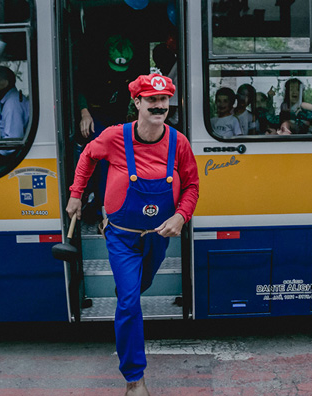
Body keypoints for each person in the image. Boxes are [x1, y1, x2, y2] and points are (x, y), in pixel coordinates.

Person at [64, 73, 199, 396]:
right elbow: (87, 157)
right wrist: (76, 193)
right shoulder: (114, 137)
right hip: (122, 237)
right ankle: (134, 380)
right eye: (151, 100)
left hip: (158, 236)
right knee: (129, 302)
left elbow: (192, 186)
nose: (159, 106)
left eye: (163, 99)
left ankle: (130, 284)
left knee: (141, 286)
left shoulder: (178, 142)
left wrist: (181, 216)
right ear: (137, 103)